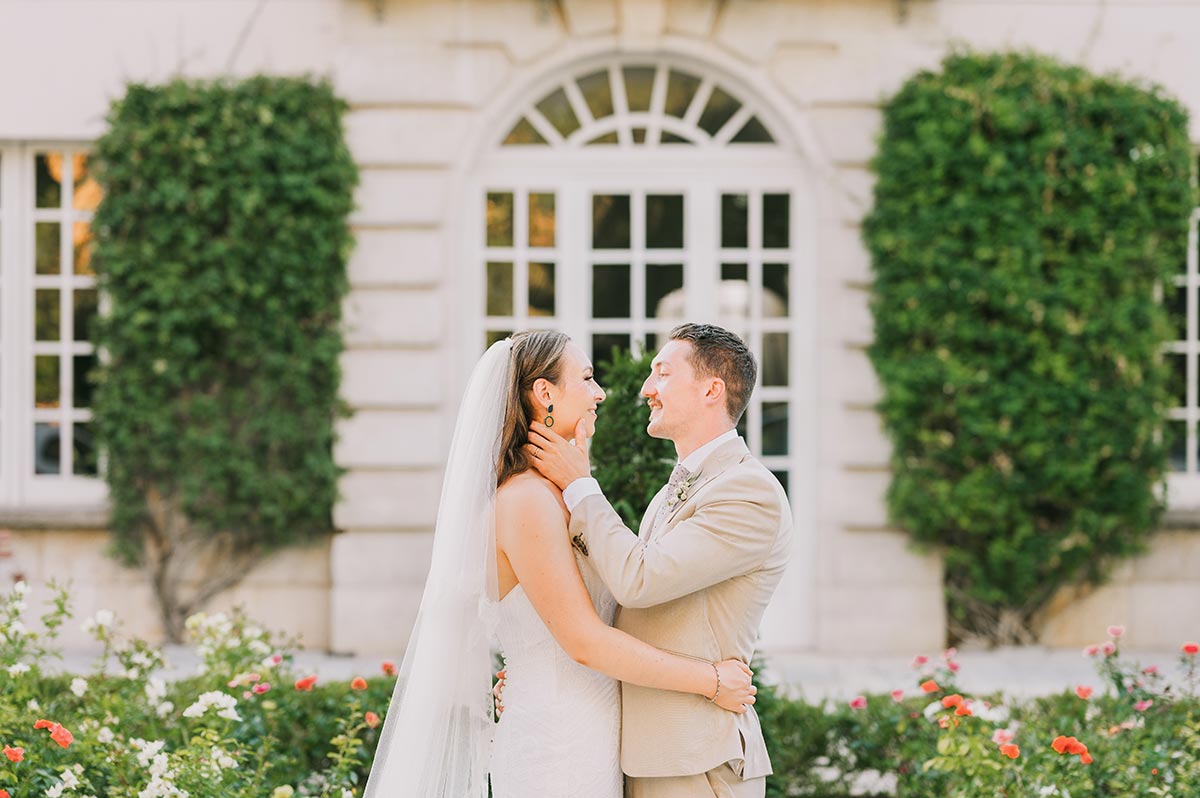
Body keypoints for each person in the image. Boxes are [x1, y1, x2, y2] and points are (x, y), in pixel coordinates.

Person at [362, 330, 755, 798]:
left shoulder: (564, 494)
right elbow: (584, 642)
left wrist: (580, 480)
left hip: (593, 731)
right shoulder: (526, 500)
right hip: (558, 744)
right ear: (544, 393)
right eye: (587, 378)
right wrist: (711, 681)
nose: (601, 392)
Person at [524, 323, 793, 798]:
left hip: (695, 759)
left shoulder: (749, 493)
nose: (646, 389)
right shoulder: (681, 487)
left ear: (712, 389)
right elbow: (620, 606)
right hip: (643, 752)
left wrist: (581, 485)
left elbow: (639, 581)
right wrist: (540, 671)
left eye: (662, 374)